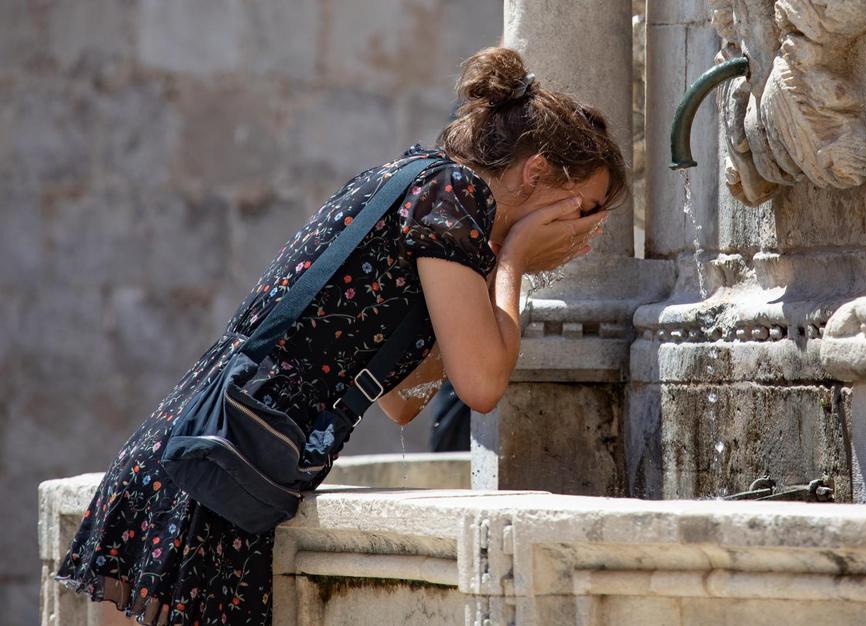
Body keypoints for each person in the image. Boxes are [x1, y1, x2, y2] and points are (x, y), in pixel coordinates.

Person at [54, 46, 626, 625]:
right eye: (588, 208)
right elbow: (481, 385)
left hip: (193, 472)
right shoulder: (453, 193)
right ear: (536, 173)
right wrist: (515, 264)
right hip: (206, 489)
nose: (586, 234)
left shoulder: (414, 181)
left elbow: (401, 400)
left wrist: (488, 278)